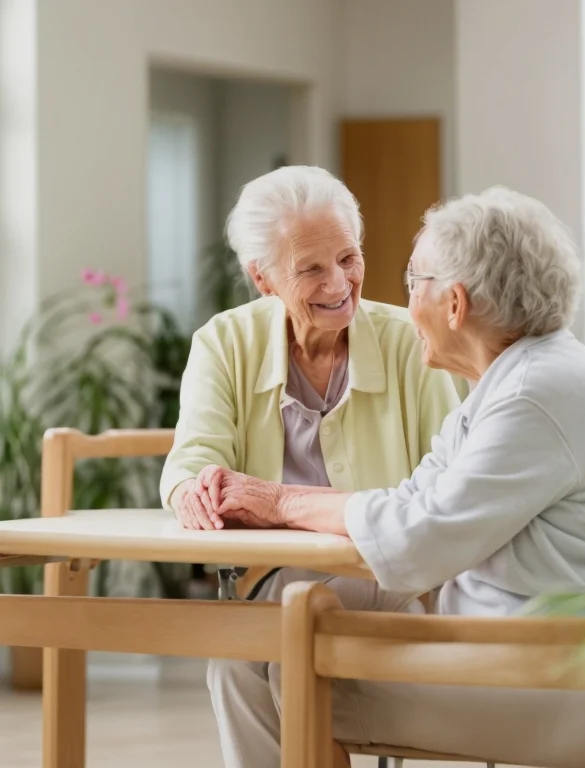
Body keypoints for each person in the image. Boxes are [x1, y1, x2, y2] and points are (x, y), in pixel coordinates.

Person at [200, 187, 585, 768]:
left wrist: (281, 502)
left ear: (454, 304)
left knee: (301, 676)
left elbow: (418, 538)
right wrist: (281, 500)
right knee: (270, 645)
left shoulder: (534, 393)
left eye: (413, 282)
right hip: (571, 661)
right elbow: (412, 502)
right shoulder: (519, 379)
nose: (403, 303)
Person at [159, 166, 465, 766]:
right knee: (232, 665)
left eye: (348, 258)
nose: (339, 283)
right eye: (311, 269)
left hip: (387, 573)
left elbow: (452, 479)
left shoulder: (409, 341)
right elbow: (192, 459)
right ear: (262, 278)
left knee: (291, 654)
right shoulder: (224, 342)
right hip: (276, 581)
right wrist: (194, 490)